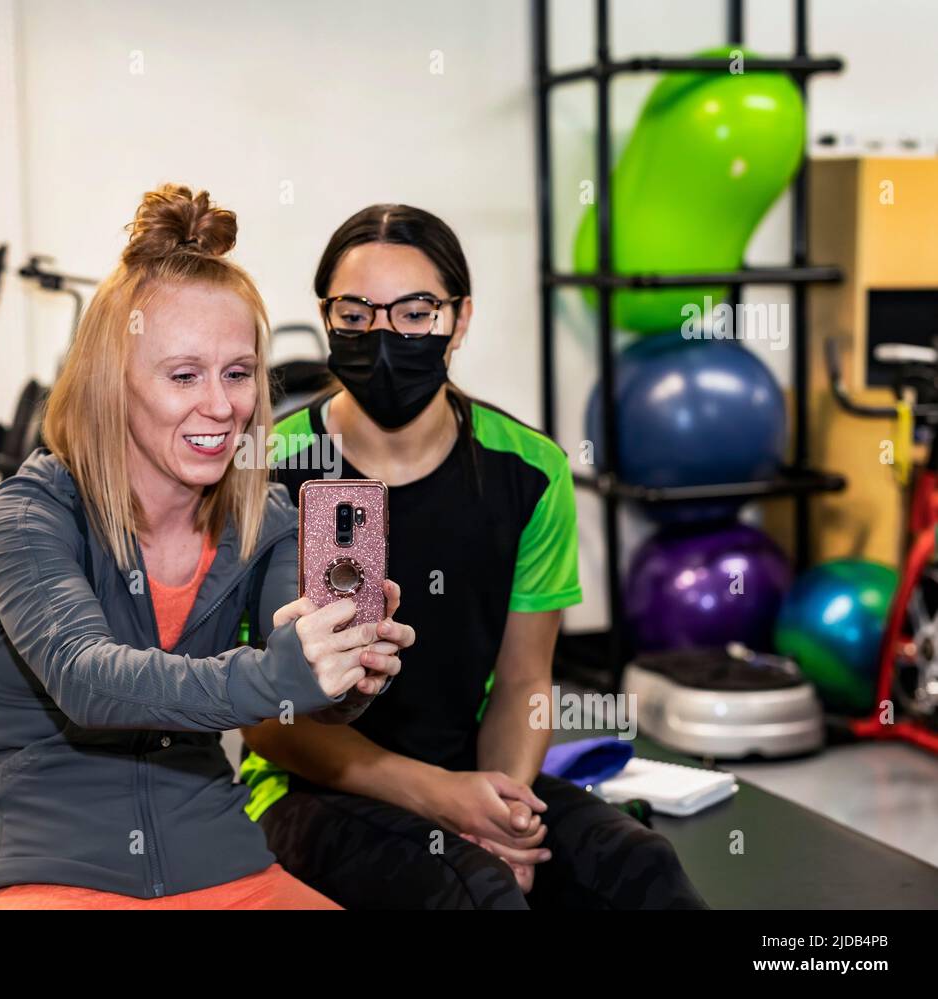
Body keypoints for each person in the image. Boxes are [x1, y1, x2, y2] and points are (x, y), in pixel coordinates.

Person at [240, 203, 708, 909]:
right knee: (471, 892)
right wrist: (444, 803)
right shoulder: (270, 472)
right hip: (307, 788)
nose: (386, 335)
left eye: (416, 312)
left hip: (468, 766)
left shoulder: (530, 471)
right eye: (357, 314)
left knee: (643, 869)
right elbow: (264, 714)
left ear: (459, 320)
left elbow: (525, 680)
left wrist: (503, 814)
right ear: (327, 317)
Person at [0, 185, 413, 909]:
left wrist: (351, 671)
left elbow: (294, 681)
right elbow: (89, 680)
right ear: (113, 384)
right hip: (61, 876)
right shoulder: (30, 514)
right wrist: (282, 672)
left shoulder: (262, 517)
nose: (221, 405)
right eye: (184, 375)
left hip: (228, 865)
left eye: (237, 373)